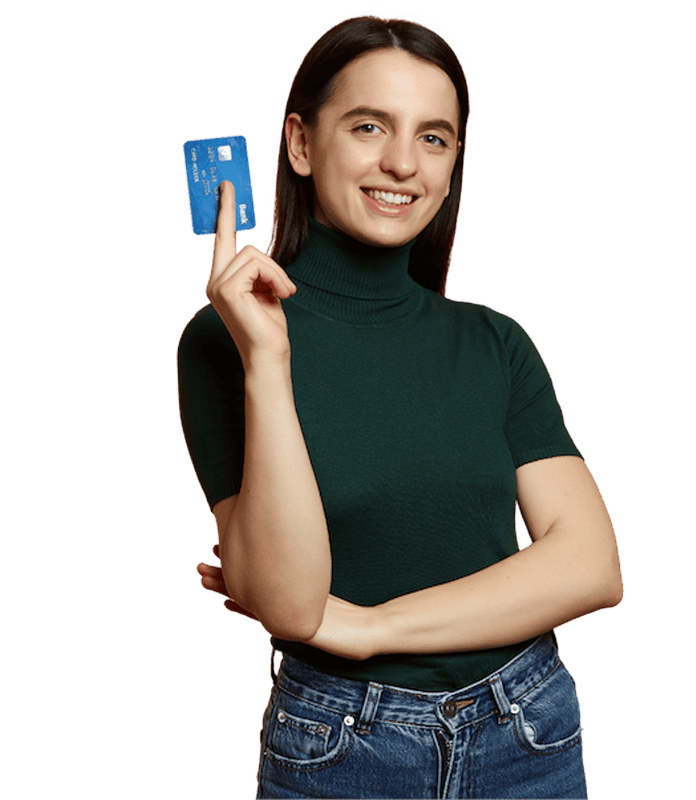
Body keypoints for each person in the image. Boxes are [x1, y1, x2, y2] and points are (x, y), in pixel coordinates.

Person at [177, 10, 624, 799]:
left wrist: (367, 625)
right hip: (342, 746)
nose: (401, 164)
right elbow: (288, 600)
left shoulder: (494, 342)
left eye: (433, 137)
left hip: (526, 727)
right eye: (368, 126)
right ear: (302, 143)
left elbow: (589, 565)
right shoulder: (224, 343)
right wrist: (269, 360)